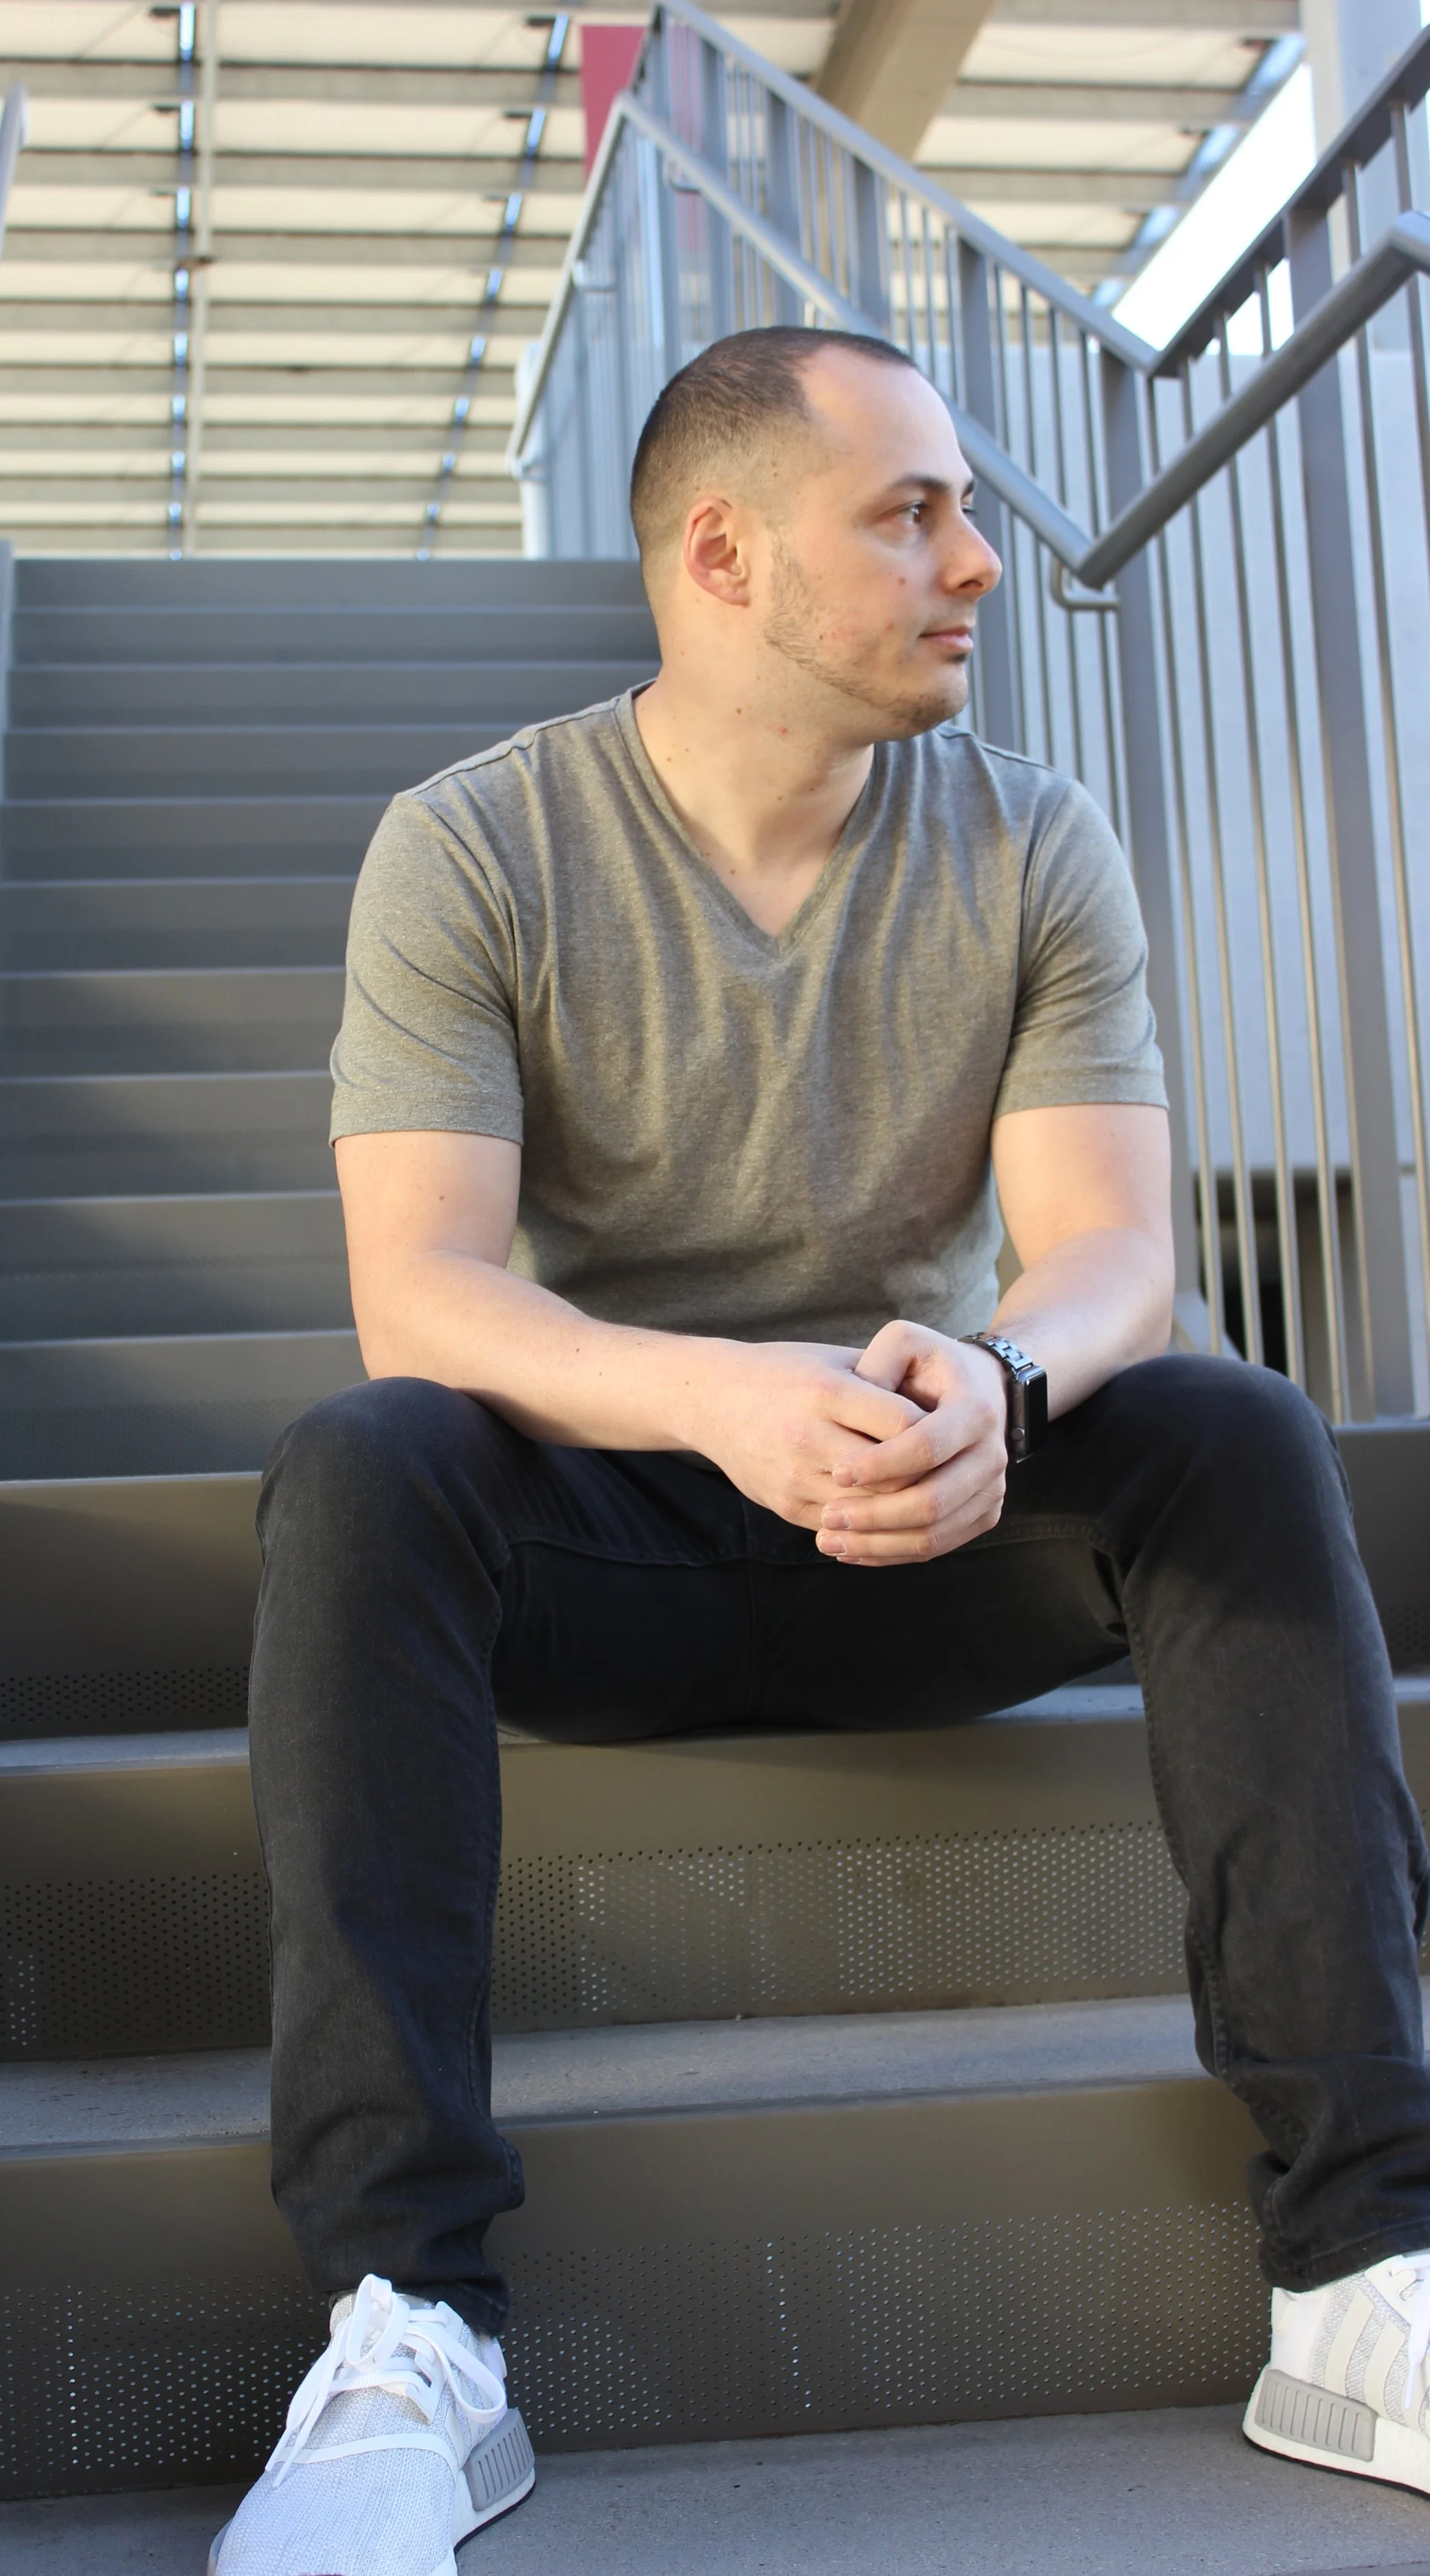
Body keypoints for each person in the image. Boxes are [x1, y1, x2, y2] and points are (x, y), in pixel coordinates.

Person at [209, 327, 1430, 2576]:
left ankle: (1363, 2272)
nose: (979, 559)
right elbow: (433, 1295)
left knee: (1235, 1428)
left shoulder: (1032, 837)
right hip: (615, 1537)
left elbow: (1106, 1255)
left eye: (960, 507)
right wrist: (714, 1394)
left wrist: (1003, 1385)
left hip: (933, 1509)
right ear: (721, 553)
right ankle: (408, 2327)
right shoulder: (472, 845)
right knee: (362, 1462)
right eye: (913, 513)